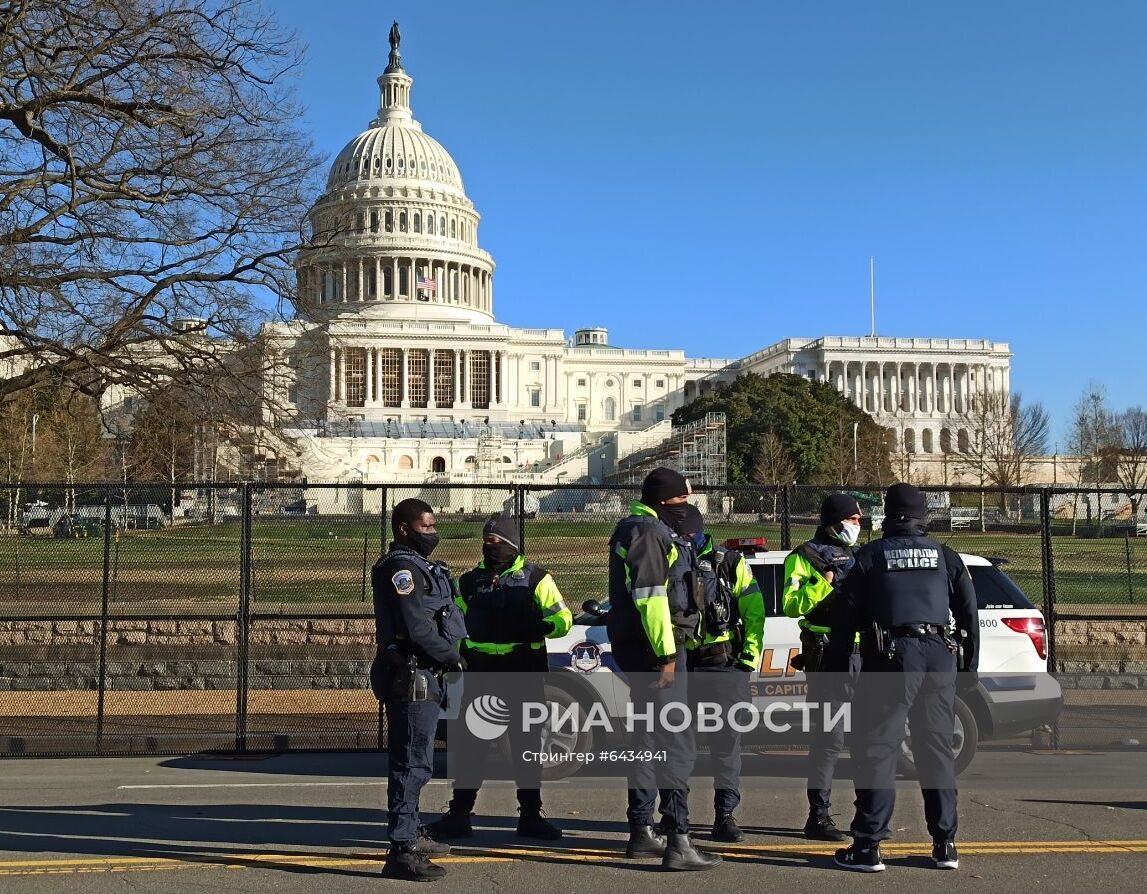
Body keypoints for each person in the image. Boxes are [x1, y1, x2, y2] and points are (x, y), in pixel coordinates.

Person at [826, 483, 978, 873]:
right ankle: (945, 845)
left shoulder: (870, 556)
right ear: (923, 516)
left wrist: (836, 667)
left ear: (886, 516)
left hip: (891, 658)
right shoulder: (946, 556)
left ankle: (867, 847)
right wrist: (968, 669)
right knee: (936, 752)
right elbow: (968, 614)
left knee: (878, 750)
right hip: (938, 657)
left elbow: (845, 618)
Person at [428, 514, 573, 841]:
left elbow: (563, 619)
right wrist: (453, 652)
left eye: (497, 541)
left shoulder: (537, 579)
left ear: (511, 544)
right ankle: (459, 815)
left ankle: (531, 817)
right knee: (471, 749)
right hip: (481, 672)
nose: (490, 546)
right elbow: (454, 622)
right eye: (486, 540)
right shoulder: (468, 581)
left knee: (526, 746)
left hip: (523, 669)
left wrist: (541, 626)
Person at [606, 467, 722, 871]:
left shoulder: (635, 527)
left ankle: (641, 831)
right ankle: (678, 839)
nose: (687, 508)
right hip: (657, 652)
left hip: (640, 650)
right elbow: (652, 599)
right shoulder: (650, 533)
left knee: (646, 738)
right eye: (682, 501)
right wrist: (668, 655)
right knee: (676, 743)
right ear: (665, 500)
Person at [371, 498, 467, 882]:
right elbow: (416, 628)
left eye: (434, 526)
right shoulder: (401, 570)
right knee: (411, 765)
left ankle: (410, 833)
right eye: (425, 527)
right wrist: (454, 658)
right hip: (413, 676)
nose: (433, 533)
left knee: (419, 763)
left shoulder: (424, 567)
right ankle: (401, 850)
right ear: (404, 529)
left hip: (429, 675)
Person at [676, 504, 765, 842]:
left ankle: (725, 815)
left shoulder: (729, 562)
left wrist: (748, 659)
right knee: (678, 746)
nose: (687, 539)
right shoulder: (669, 558)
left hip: (724, 665)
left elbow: (754, 611)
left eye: (691, 534)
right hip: (683, 662)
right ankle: (676, 817)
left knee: (726, 746)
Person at [781, 493, 864, 841]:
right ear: (835, 520)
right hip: (827, 654)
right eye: (853, 519)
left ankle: (867, 817)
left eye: (860, 520)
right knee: (829, 739)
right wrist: (823, 583)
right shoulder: (803, 557)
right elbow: (789, 603)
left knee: (865, 739)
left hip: (861, 652)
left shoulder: (860, 556)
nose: (858, 526)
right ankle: (818, 816)